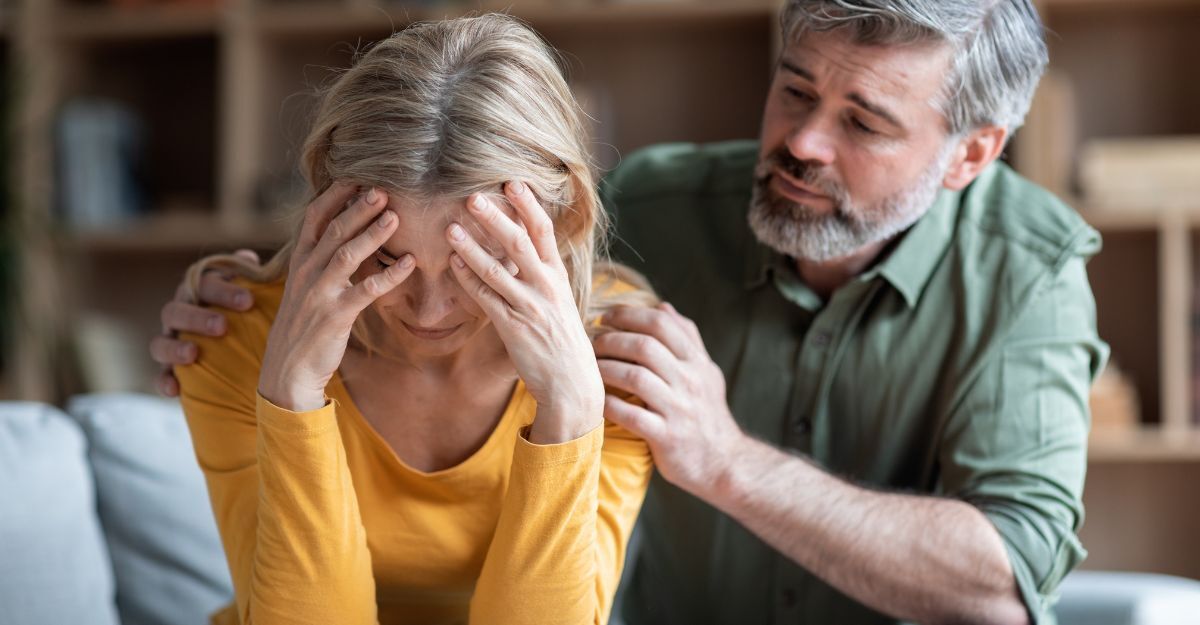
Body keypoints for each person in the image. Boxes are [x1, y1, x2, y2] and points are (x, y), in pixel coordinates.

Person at [154, 2, 1108, 624]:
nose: (802, 140)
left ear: (971, 154)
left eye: (865, 122)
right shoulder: (651, 207)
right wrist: (265, 313)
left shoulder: (1029, 273)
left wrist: (718, 456)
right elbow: (449, 182)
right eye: (794, 89)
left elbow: (1006, 582)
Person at [166, 14, 657, 625]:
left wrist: (571, 411)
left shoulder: (621, 358)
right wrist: (291, 398)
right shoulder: (234, 337)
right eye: (388, 260)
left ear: (563, 223)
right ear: (326, 212)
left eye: (473, 267)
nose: (429, 312)